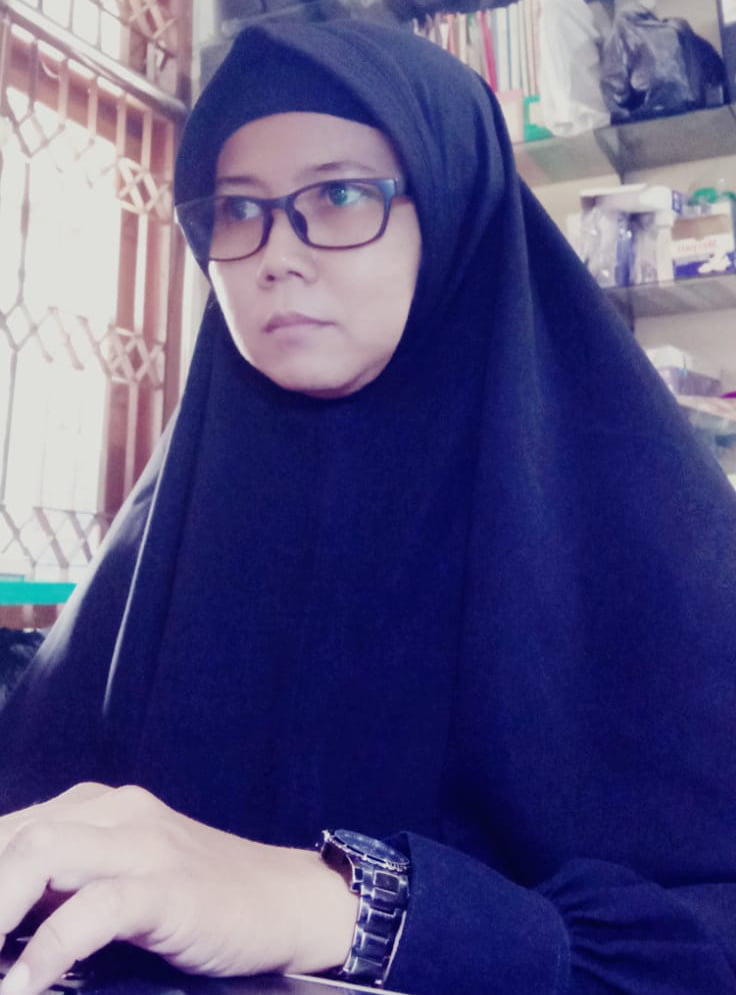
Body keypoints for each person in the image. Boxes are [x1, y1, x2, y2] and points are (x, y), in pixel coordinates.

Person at [0, 17, 735, 995]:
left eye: (339, 194)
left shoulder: (651, 541)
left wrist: (353, 907)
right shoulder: (173, 521)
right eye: (236, 209)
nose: (275, 254)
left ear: (453, 211)